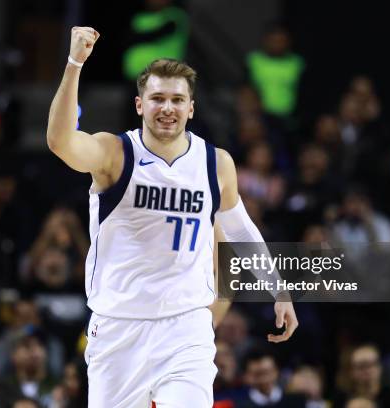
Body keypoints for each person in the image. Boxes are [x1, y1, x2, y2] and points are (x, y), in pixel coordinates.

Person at [46, 26, 298, 407]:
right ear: (139, 105)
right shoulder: (115, 153)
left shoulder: (216, 164)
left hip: (186, 328)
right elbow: (60, 141)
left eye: (178, 100)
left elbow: (239, 228)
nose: (168, 108)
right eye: (158, 98)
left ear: (191, 108)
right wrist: (74, 63)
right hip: (118, 327)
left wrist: (278, 288)